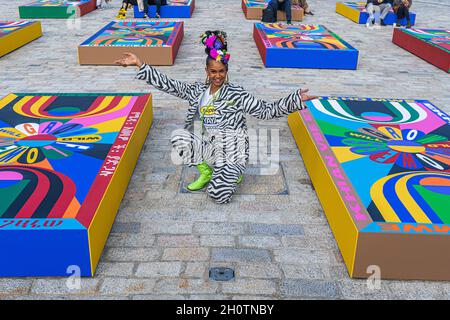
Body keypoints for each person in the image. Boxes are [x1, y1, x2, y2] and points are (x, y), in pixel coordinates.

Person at [115, 30, 316, 204]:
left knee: (218, 196)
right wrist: (140, 64)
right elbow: (170, 85)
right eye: (213, 72)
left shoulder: (236, 93)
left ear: (226, 72)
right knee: (179, 138)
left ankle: (232, 171)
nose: (217, 76)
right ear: (207, 71)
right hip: (210, 145)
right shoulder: (198, 90)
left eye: (221, 71)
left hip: (232, 150)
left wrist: (294, 100)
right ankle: (207, 172)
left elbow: (265, 110)